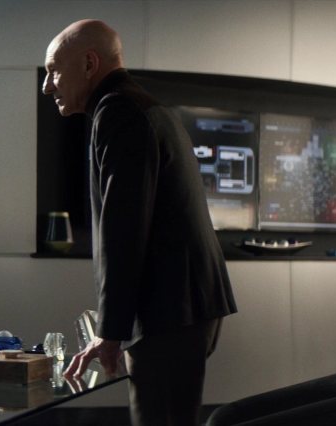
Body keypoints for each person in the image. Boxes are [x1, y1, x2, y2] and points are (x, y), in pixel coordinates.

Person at [44, 20, 237, 426]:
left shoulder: (119, 112)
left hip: (168, 311)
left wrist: (110, 331)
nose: (47, 86)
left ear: (89, 64)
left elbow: (124, 228)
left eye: (54, 71)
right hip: (183, 305)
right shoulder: (139, 105)